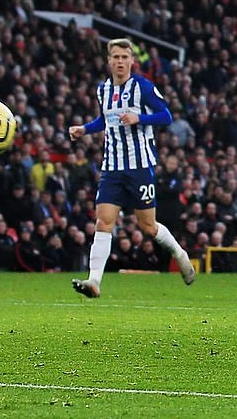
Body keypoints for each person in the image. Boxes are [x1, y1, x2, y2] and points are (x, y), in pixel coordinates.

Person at [69, 38, 195, 297]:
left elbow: (166, 116)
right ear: (109, 60)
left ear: (131, 61)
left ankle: (180, 254)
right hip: (112, 167)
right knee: (103, 222)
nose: (120, 61)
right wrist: (85, 129)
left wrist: (140, 117)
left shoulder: (143, 87)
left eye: (124, 57)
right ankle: (94, 281)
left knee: (147, 226)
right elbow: (105, 119)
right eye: (116, 57)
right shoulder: (103, 89)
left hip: (140, 167)